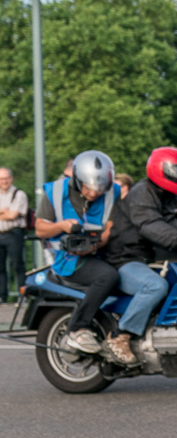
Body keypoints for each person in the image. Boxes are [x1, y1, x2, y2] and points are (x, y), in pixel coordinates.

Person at [103, 148, 177, 364]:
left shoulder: (176, 196)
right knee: (155, 286)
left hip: (153, 258)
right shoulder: (142, 193)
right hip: (127, 258)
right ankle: (120, 335)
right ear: (160, 170)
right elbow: (151, 226)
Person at [34, 151, 123, 357]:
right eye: (89, 188)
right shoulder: (54, 192)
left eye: (100, 189)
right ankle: (77, 329)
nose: (95, 193)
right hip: (67, 260)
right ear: (77, 179)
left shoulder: (112, 193)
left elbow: (110, 228)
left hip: (100, 253)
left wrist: (98, 243)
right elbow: (40, 229)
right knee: (106, 277)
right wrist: (62, 226)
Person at [0, 167, 29, 297]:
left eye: (6, 178)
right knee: (0, 268)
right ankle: (2, 297)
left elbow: (13, 215)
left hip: (13, 233)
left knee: (18, 265)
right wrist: (5, 211)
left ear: (11, 179)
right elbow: (10, 213)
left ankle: (22, 295)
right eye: (1, 179)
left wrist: (7, 212)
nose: (4, 181)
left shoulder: (19, 194)